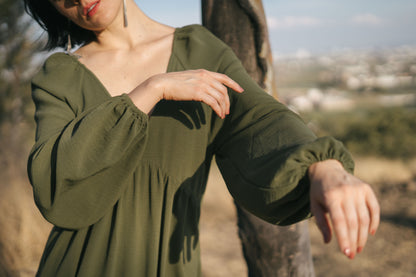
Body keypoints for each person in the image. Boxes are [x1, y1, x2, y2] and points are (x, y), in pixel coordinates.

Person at [24, 0, 380, 276]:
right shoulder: (59, 78)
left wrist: (324, 166)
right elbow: (53, 181)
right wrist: (152, 90)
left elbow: (260, 120)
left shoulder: (200, 51)